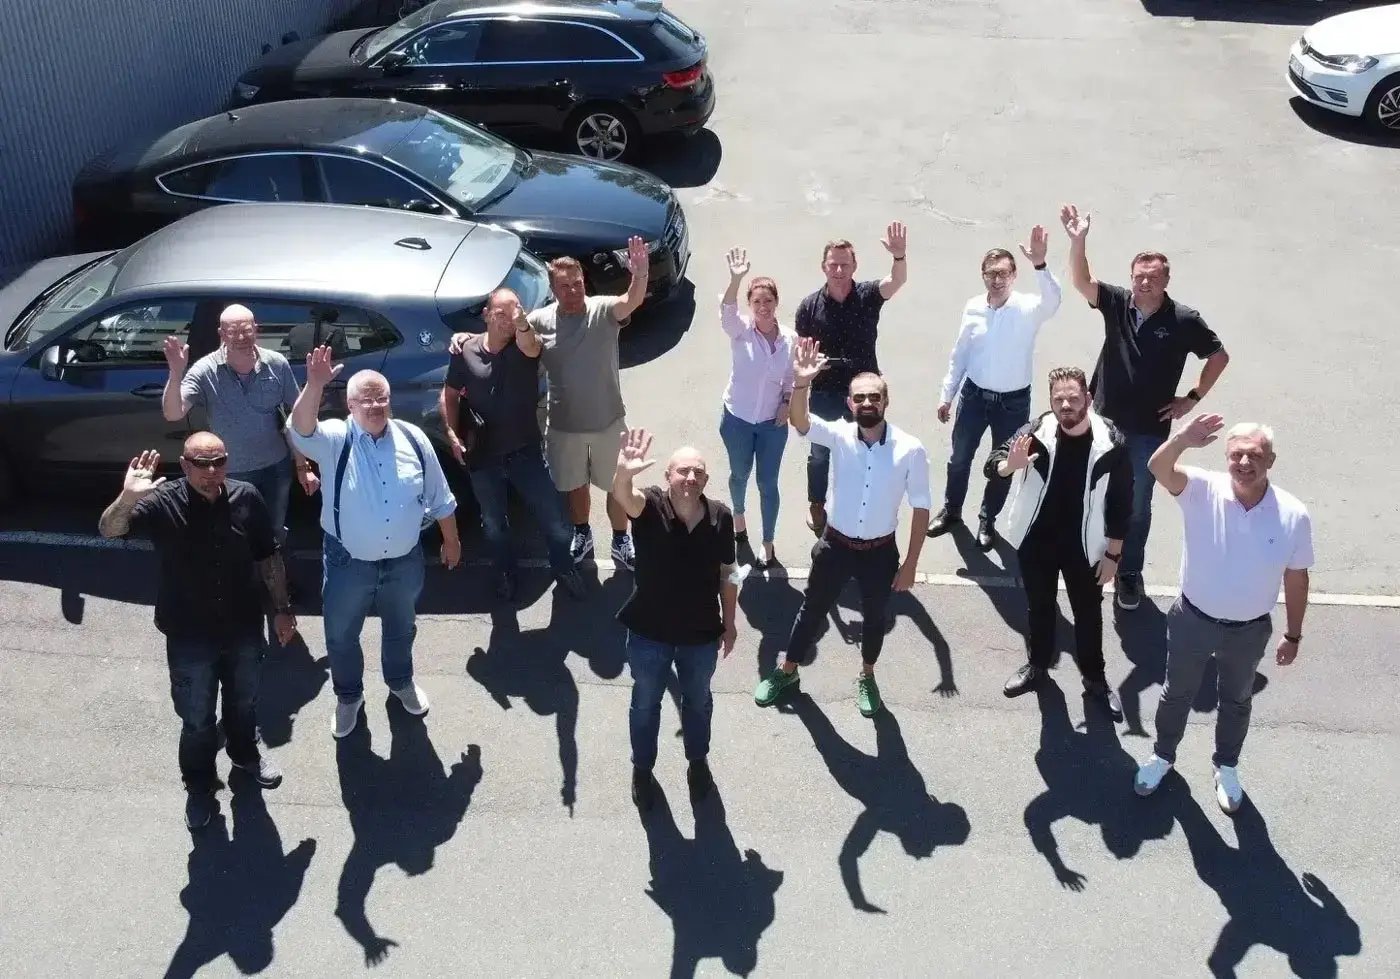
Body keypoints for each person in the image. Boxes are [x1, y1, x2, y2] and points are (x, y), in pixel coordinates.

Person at [97, 433, 296, 829]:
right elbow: (110, 529)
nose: (210, 471)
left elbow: (267, 555)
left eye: (218, 461)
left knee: (244, 703)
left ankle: (245, 755)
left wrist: (282, 609)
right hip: (189, 634)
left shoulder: (246, 496)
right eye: (201, 463)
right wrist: (128, 497)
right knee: (197, 718)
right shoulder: (161, 501)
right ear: (185, 465)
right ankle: (199, 787)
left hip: (243, 626)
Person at [1133, 415, 1312, 814]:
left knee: (1236, 700)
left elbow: (1297, 578)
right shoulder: (1201, 488)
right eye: (1237, 455)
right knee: (1176, 694)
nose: (1245, 462)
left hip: (1248, 631)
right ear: (1226, 457)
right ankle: (1162, 756)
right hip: (1192, 619)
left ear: (1271, 460)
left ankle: (1226, 766)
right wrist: (1182, 439)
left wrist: (1293, 634)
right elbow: (1157, 468)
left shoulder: (1293, 514)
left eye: (1255, 455)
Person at [1061, 204, 1231, 611]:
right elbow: (1082, 280)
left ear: (1166, 281)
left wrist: (1192, 398)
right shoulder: (1117, 303)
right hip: (1102, 423)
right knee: (1091, 491)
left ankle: (1129, 573)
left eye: (1153, 277)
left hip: (1147, 432)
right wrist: (1079, 240)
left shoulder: (1184, 320)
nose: (1144, 283)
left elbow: (1218, 356)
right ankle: (1090, 557)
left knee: (1137, 505)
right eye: (1139, 276)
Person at [287, 348, 460, 739]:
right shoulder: (335, 438)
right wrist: (314, 385)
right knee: (341, 635)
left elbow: (440, 495)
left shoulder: (413, 438)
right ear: (350, 406)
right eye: (365, 400)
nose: (375, 406)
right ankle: (349, 696)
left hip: (404, 560)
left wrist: (451, 539)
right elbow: (301, 430)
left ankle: (400, 682)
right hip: (348, 562)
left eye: (381, 398)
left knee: (401, 628)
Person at [754, 338, 931, 717]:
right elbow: (801, 421)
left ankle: (867, 675)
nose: (867, 403)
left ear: (886, 402)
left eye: (874, 397)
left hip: (880, 553)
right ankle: (788, 671)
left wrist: (911, 563)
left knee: (875, 618)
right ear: (849, 403)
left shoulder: (911, 449)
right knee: (811, 610)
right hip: (834, 546)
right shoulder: (838, 434)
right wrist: (802, 382)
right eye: (859, 397)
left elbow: (921, 509)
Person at [449, 238, 652, 569]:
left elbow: (632, 300)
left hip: (609, 422)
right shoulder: (540, 321)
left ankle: (620, 538)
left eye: (577, 284)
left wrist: (640, 275)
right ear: (554, 290)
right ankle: (583, 533)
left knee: (617, 485)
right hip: (563, 427)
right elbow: (502, 332)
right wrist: (465, 338)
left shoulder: (603, 310)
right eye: (564, 286)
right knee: (575, 487)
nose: (572, 291)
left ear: (584, 282)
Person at [985, 368, 1132, 716]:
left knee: (1088, 613)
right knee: (1039, 607)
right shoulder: (1037, 430)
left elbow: (1121, 501)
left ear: (1088, 399)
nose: (1066, 405)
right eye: (1058, 399)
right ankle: (1037, 666)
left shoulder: (1111, 442)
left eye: (1073, 398)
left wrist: (1113, 554)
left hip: (1085, 545)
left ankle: (1095, 680)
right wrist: (1009, 465)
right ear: (1051, 401)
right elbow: (993, 463)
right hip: (1037, 540)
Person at [611, 429, 738, 812]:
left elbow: (728, 573)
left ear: (706, 480)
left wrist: (730, 623)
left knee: (697, 703)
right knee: (645, 704)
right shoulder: (650, 506)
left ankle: (697, 763)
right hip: (649, 633)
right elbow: (625, 498)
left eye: (698, 472)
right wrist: (623, 474)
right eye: (683, 471)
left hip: (700, 636)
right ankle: (642, 770)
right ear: (668, 476)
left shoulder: (720, 517)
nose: (690, 478)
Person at [440, 287, 585, 604]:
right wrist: (451, 433)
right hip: (483, 456)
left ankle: (563, 567)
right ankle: (504, 572)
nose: (509, 319)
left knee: (556, 522)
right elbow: (449, 393)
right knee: (494, 525)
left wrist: (521, 324)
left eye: (516, 311)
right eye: (501, 313)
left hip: (525, 452)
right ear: (486, 315)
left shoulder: (523, 347)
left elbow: (532, 345)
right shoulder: (464, 351)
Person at [930, 226, 1063, 550]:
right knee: (959, 458)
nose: (997, 279)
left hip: (1013, 403)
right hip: (974, 397)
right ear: (983, 276)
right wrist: (947, 395)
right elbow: (960, 353)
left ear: (1014, 275)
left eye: (1003, 273)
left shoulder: (1029, 308)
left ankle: (987, 520)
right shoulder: (973, 307)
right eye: (991, 273)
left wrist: (1041, 265)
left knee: (1004, 464)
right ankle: (952, 511)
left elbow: (1053, 301)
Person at [162, 304, 318, 547]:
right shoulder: (205, 370)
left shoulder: (276, 364)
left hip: (275, 468)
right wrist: (175, 373)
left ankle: (273, 568)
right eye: (233, 332)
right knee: (235, 534)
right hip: (230, 472)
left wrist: (302, 465)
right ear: (221, 334)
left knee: (274, 529)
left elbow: (296, 417)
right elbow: (173, 413)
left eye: (246, 330)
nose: (241, 337)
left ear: (256, 329)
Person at [794, 223, 909, 536]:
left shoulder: (868, 295)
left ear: (855, 266)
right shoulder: (809, 307)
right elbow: (801, 354)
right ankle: (817, 502)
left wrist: (899, 256)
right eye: (833, 264)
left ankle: (859, 501)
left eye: (845, 264)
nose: (839, 270)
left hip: (865, 393)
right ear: (823, 266)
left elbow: (896, 281)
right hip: (825, 393)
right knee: (820, 453)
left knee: (866, 448)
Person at [717, 246, 796, 569]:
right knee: (739, 474)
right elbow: (726, 311)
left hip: (771, 425)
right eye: (757, 301)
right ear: (750, 305)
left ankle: (768, 541)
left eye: (769, 300)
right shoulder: (740, 331)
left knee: (768, 483)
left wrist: (787, 402)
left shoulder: (789, 338)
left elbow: (791, 376)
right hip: (737, 419)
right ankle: (739, 518)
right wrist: (736, 279)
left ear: (777, 302)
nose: (763, 307)